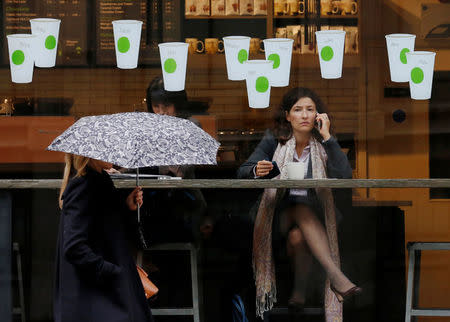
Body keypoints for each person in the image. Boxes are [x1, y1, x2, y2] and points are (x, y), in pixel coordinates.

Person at [237, 87, 361, 318]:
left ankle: (299, 293)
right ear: (287, 116)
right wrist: (257, 170)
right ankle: (336, 276)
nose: (304, 115)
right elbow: (242, 172)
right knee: (298, 208)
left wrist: (327, 137)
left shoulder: (323, 143)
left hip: (314, 223)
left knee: (298, 237)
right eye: (298, 110)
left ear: (318, 115)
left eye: (310, 110)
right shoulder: (274, 140)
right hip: (276, 219)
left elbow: (344, 176)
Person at [54, 153, 153, 322]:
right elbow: (74, 247)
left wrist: (127, 207)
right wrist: (112, 272)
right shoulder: (83, 186)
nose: (114, 155)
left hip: (106, 295)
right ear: (89, 155)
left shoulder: (100, 181)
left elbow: (104, 227)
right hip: (98, 298)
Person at [142, 76, 211, 242]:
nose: (161, 112)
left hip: (184, 204)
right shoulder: (148, 127)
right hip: (156, 201)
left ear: (178, 105)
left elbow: (177, 170)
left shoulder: (191, 125)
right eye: (156, 106)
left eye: (166, 106)